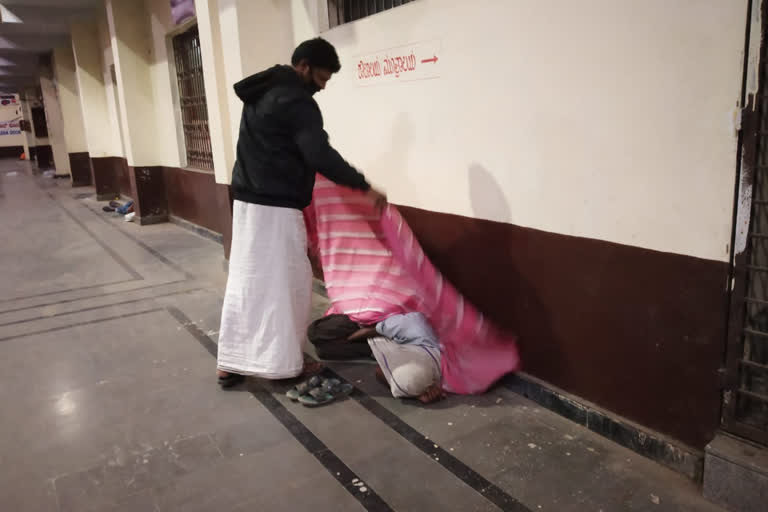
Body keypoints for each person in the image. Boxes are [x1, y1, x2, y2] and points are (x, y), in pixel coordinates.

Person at [216, 38, 386, 388]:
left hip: (248, 201)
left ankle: (230, 361)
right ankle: (283, 364)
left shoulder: (263, 91)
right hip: (276, 206)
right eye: (321, 78)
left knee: (247, 281)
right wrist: (362, 185)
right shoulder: (296, 100)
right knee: (288, 284)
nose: (322, 88)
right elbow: (318, 153)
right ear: (304, 66)